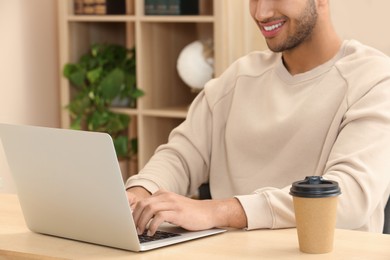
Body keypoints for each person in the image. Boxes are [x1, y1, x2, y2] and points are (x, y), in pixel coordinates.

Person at [126, 0, 390, 236]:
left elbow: (348, 198)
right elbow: (181, 156)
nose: (261, 12)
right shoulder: (240, 76)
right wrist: (140, 194)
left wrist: (219, 212)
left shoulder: (374, 80)